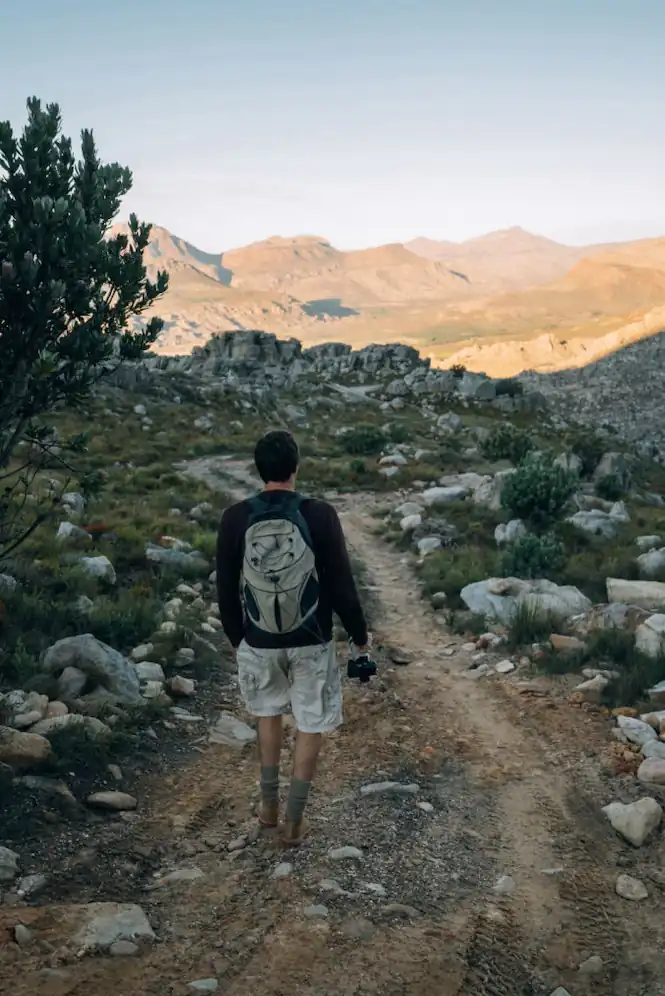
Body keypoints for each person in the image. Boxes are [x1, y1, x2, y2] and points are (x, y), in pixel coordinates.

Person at [216, 429, 370, 846]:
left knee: (268, 715)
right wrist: (359, 637)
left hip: (258, 639)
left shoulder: (234, 518)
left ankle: (267, 808)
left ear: (258, 469)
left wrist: (238, 638)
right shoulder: (320, 515)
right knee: (309, 723)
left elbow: (225, 587)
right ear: (295, 467)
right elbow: (341, 583)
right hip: (312, 638)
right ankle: (295, 822)